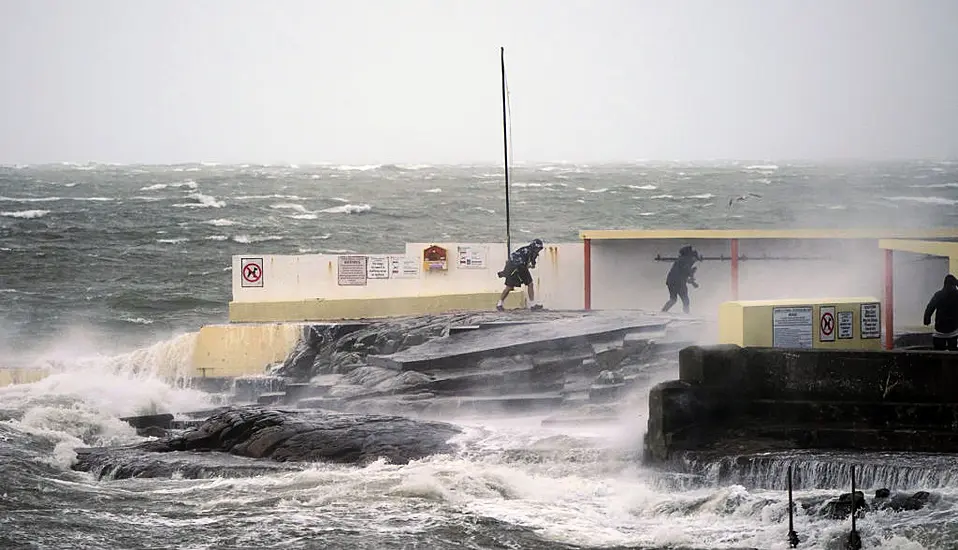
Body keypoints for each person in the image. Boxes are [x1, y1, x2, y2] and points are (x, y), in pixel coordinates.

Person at [496, 238, 544, 311]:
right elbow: (515, 261)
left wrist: (531, 265)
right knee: (509, 286)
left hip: (522, 268)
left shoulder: (533, 253)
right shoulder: (525, 251)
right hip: (514, 268)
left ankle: (532, 304)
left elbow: (532, 262)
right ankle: (499, 304)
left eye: (540, 249)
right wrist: (506, 272)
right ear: (534, 247)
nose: (539, 250)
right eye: (538, 248)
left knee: (530, 284)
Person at [661, 245, 702, 314]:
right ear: (692, 257)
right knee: (685, 301)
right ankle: (686, 314)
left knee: (673, 299)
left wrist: (691, 279)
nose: (695, 261)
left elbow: (681, 275)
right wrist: (691, 273)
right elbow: (684, 273)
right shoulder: (686, 261)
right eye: (695, 259)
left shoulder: (681, 260)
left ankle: (663, 312)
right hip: (678, 283)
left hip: (671, 281)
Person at [923, 274, 958, 351]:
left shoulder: (939, 294)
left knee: (938, 354)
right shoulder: (956, 295)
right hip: (953, 331)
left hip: (939, 331)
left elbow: (930, 307)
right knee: (953, 355)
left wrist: (926, 319)